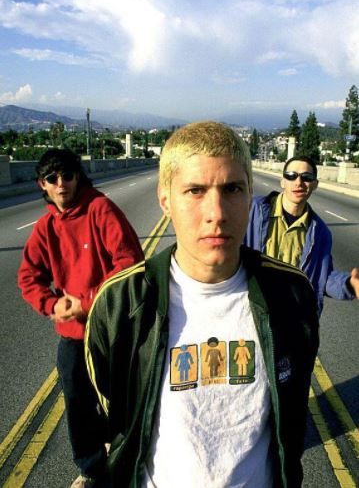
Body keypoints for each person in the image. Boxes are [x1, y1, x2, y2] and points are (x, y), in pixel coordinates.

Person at [85, 122, 319, 488]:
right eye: (195, 191)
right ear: (165, 199)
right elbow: (118, 415)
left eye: (232, 189)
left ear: (250, 194)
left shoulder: (291, 294)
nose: (217, 212)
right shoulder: (121, 303)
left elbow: (290, 408)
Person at [18, 149, 144, 488]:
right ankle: (91, 467)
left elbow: (130, 262)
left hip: (113, 327)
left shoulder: (99, 209)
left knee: (121, 395)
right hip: (73, 332)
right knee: (76, 399)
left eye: (68, 176)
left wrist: (88, 302)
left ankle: (127, 455)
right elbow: (29, 276)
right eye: (53, 179)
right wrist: (52, 305)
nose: (62, 184)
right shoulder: (46, 227)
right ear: (41, 184)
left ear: (78, 176)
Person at [244, 155, 359, 315]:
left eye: (307, 177)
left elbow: (323, 278)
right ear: (282, 181)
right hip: (250, 313)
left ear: (315, 184)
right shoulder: (251, 211)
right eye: (291, 176)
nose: (298, 182)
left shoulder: (320, 232)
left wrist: (349, 284)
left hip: (292, 319)